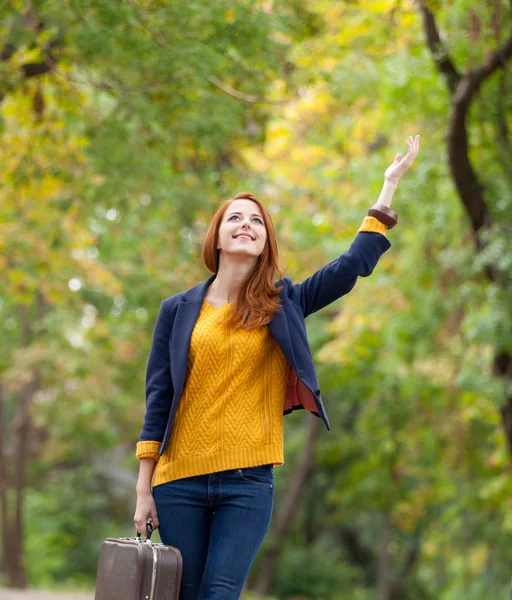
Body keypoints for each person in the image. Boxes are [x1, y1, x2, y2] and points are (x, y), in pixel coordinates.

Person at [134, 135, 420, 600]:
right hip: (178, 479)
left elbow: (351, 267)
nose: (245, 224)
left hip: (248, 481)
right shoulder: (177, 309)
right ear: (218, 236)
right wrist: (144, 490)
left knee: (220, 593)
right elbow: (158, 399)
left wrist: (387, 190)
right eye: (235, 218)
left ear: (265, 239)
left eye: (256, 220)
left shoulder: (283, 303)